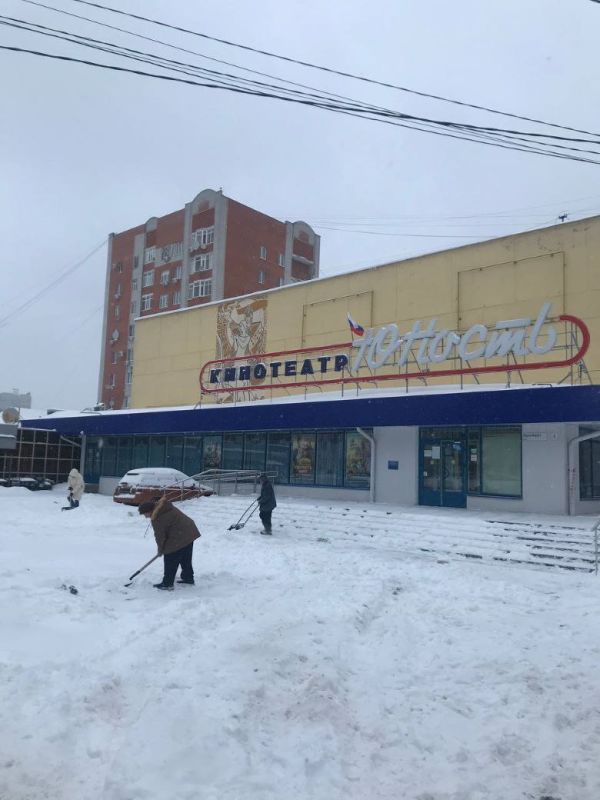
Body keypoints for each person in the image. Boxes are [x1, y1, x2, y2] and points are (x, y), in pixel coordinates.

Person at [138, 496, 201, 591]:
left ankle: (167, 584)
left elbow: (160, 537)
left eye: (145, 514)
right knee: (185, 557)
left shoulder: (157, 518)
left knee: (170, 558)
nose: (145, 517)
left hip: (180, 535)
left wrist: (160, 550)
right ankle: (188, 578)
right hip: (189, 532)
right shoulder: (164, 507)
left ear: (150, 510)